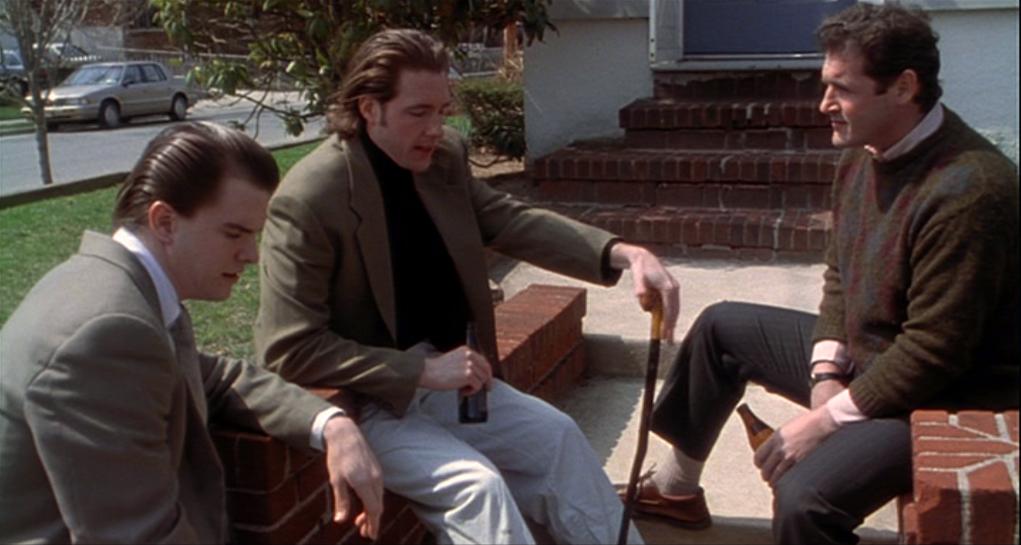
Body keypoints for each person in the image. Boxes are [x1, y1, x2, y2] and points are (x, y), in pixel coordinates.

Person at [254, 28, 680, 544]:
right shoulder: (310, 197)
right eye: (419, 112)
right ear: (369, 108)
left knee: (558, 438)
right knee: (478, 487)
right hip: (366, 398)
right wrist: (420, 370)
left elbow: (506, 219)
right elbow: (288, 347)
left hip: (449, 381)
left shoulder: (441, 158)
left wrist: (623, 253)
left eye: (443, 110)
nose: (436, 128)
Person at [623, 4, 1020, 544]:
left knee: (804, 499)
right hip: (875, 358)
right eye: (825, 84)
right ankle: (675, 489)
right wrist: (826, 371)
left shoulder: (971, 190)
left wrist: (826, 419)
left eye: (843, 89)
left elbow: (934, 352)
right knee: (721, 327)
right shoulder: (864, 153)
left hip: (944, 397)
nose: (824, 103)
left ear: (904, 87)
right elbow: (841, 273)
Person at [0, 122, 384, 544]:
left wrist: (328, 421)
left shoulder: (122, 292)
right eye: (234, 233)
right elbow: (139, 536)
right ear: (165, 222)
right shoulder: (107, 332)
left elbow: (210, 376)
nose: (251, 255)